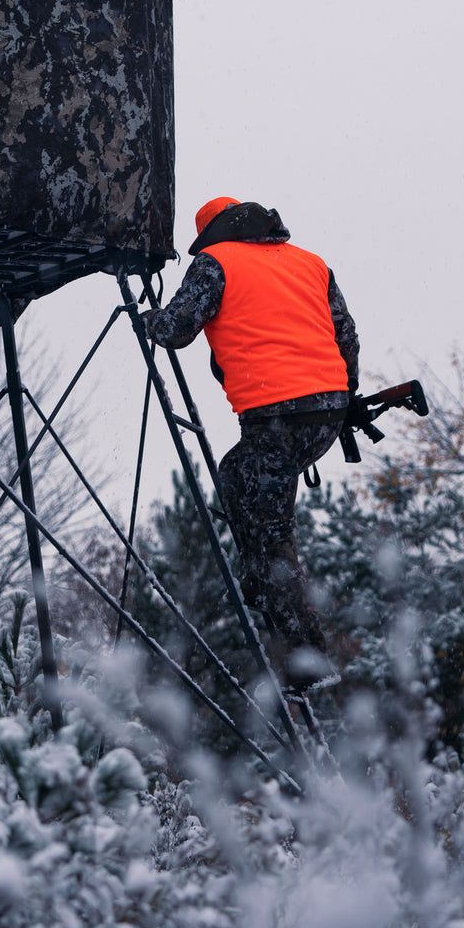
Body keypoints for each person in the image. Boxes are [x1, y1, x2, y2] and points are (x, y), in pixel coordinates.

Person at [142, 196, 359, 688]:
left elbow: (177, 330)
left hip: (275, 415)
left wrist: (148, 319)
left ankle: (306, 658)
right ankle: (264, 582)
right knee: (243, 479)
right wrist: (347, 395)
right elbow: (347, 335)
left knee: (266, 527)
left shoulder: (215, 263)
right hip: (325, 412)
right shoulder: (311, 263)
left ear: (213, 234)